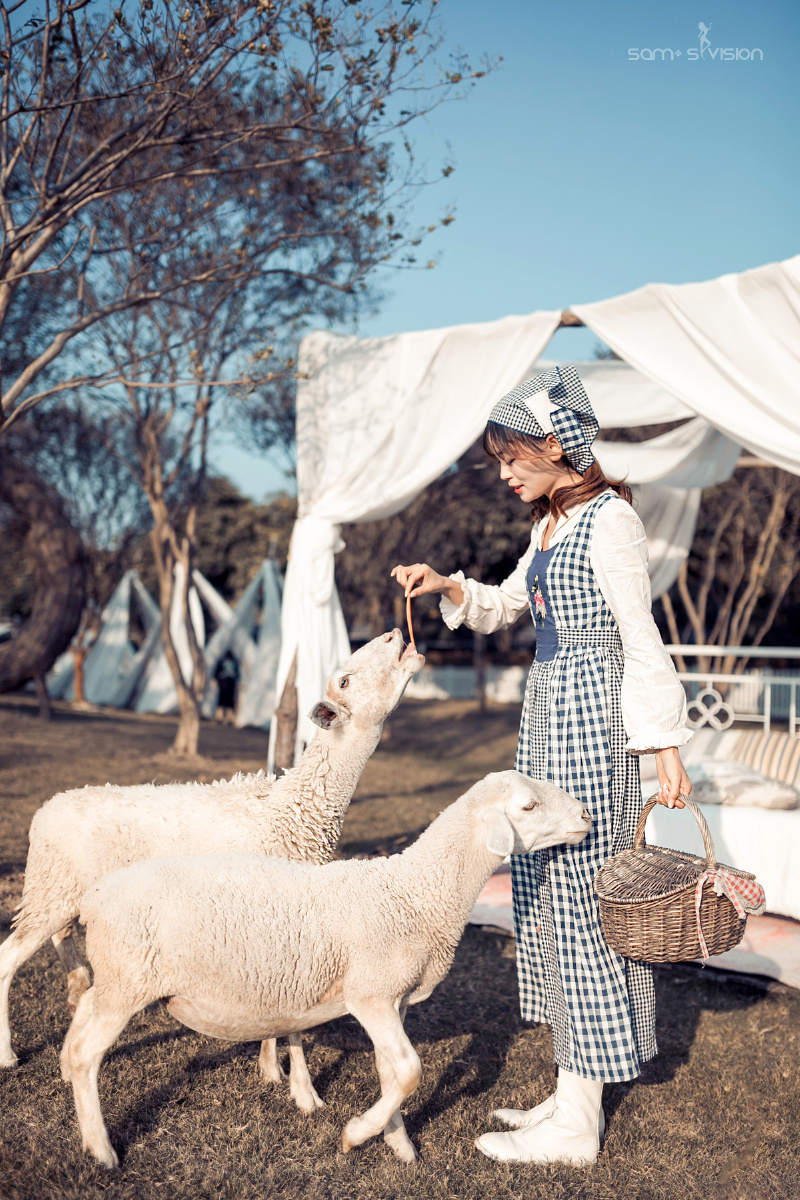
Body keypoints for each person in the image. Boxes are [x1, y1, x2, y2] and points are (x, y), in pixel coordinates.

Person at [391, 365, 692, 1168]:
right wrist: (448, 584)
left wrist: (664, 747)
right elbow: (507, 605)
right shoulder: (552, 525)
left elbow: (639, 635)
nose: (503, 472)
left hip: (593, 722)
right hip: (548, 715)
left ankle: (580, 1123)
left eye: (510, 456)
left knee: (586, 900)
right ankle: (570, 1090)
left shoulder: (611, 522)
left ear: (556, 444)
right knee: (550, 896)